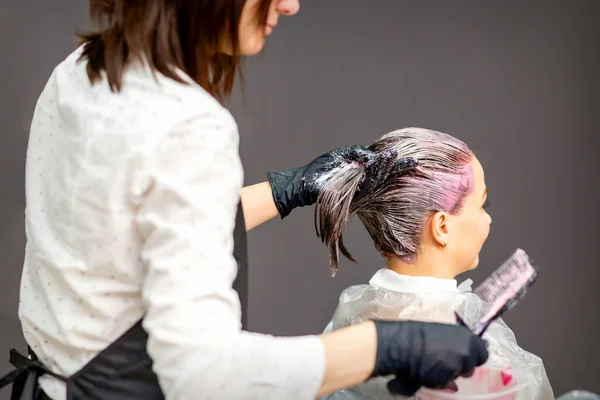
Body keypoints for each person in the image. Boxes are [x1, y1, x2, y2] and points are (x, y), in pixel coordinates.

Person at [0, 2, 489, 399]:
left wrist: (284, 191)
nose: (290, 5)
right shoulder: (187, 126)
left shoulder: (81, 73)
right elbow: (203, 376)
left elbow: (131, 232)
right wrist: (385, 344)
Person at [312, 127, 554, 399]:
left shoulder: (354, 315)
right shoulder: (464, 357)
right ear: (442, 227)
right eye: (482, 205)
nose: (488, 219)